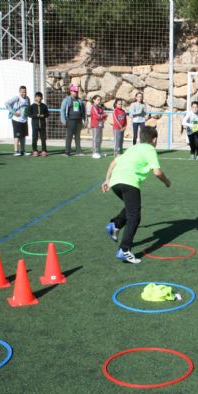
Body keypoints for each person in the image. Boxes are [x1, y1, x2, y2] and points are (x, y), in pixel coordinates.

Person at [102, 127, 171, 264]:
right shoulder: (150, 149)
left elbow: (114, 162)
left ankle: (115, 224)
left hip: (115, 183)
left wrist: (107, 179)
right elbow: (157, 172)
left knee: (131, 208)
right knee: (135, 215)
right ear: (154, 139)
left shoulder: (134, 148)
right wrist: (167, 181)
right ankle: (124, 250)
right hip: (129, 183)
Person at [60, 84, 86, 156]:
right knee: (69, 136)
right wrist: (63, 120)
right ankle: (67, 151)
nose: (75, 93)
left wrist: (85, 120)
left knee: (78, 137)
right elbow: (62, 110)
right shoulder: (66, 100)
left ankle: (78, 151)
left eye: (76, 91)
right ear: (70, 91)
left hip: (79, 121)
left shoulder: (80, 100)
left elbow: (84, 111)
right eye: (74, 91)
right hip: (70, 120)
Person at [5, 86, 30, 156]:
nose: (24, 93)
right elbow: (6, 103)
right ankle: (16, 151)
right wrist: (13, 112)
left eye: (25, 92)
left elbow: (28, 107)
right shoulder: (17, 98)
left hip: (24, 120)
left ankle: (23, 150)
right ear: (19, 91)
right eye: (22, 92)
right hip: (16, 120)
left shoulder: (28, 98)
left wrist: (27, 115)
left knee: (23, 136)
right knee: (17, 136)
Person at [28, 92, 49, 157]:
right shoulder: (32, 106)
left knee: (43, 138)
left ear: (42, 98)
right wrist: (35, 115)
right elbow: (29, 114)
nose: (39, 98)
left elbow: (47, 114)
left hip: (42, 125)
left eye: (40, 97)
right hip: (35, 125)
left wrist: (43, 115)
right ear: (35, 98)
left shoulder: (44, 106)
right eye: (37, 97)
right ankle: (35, 150)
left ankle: (44, 150)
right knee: (34, 138)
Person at [90, 95, 108, 159]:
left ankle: (98, 151)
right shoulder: (93, 107)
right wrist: (103, 115)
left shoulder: (100, 107)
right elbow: (97, 116)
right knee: (95, 139)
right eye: (98, 99)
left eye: (100, 100)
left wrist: (103, 115)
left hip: (100, 125)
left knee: (100, 139)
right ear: (94, 100)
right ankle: (94, 152)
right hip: (95, 125)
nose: (99, 101)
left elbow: (105, 115)